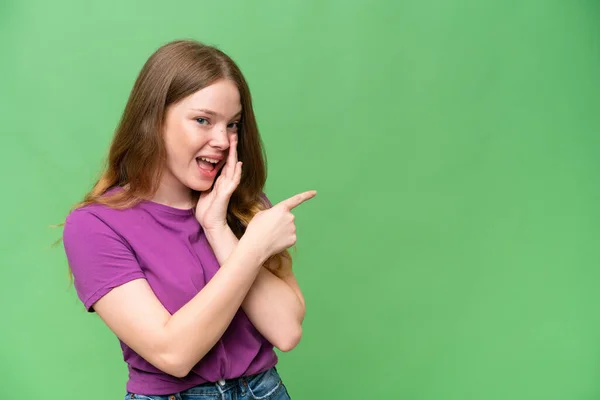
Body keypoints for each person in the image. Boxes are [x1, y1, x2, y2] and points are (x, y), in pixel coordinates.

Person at [61, 39, 316, 400]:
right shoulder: (95, 225)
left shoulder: (241, 204)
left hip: (266, 390)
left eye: (233, 124)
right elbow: (173, 354)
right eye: (202, 120)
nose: (224, 141)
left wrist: (217, 228)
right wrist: (252, 249)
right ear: (153, 119)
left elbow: (286, 331)